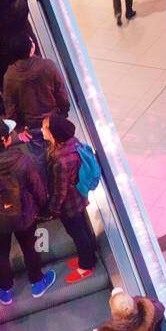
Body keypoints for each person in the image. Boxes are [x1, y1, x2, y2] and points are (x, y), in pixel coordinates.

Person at [0, 117, 52, 304]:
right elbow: (37, 188)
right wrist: (42, 208)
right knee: (30, 247)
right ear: (5, 140)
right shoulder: (22, 160)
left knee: (0, 252)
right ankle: (37, 282)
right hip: (24, 215)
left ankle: (5, 290)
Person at [42, 113, 100, 284]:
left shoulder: (60, 160)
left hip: (69, 204)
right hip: (79, 197)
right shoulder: (72, 141)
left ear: (55, 133)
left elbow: (59, 191)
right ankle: (90, 256)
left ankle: (86, 265)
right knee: (82, 227)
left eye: (45, 128)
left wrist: (51, 210)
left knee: (77, 232)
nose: (42, 130)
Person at [2, 41, 69, 131]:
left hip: (31, 127)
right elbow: (61, 92)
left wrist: (18, 129)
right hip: (53, 120)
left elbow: (10, 106)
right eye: (32, 42)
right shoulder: (48, 65)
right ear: (31, 49)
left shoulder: (10, 76)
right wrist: (64, 113)